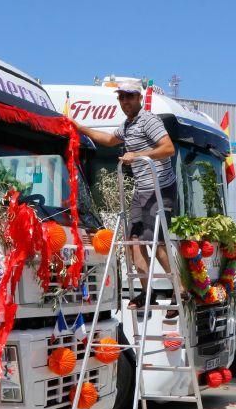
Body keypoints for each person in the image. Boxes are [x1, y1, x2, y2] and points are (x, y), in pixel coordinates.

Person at [74, 81, 176, 309]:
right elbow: (110, 140)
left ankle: (181, 291)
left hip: (160, 187)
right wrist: (80, 128)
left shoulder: (148, 120)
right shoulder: (128, 125)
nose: (125, 101)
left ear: (139, 98)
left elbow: (169, 149)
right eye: (121, 97)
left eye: (129, 97)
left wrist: (137, 155)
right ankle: (145, 292)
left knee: (155, 241)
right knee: (133, 242)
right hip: (142, 189)